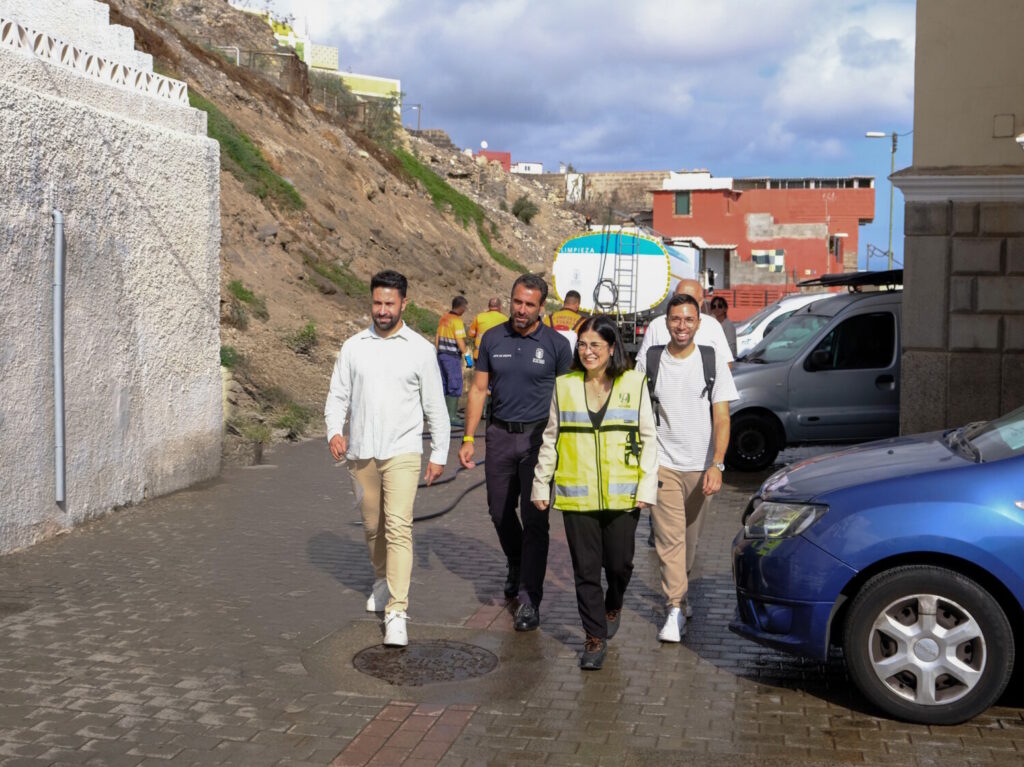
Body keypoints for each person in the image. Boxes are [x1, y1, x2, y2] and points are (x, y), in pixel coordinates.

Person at [324, 270, 450, 648]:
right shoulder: (353, 347)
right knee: (372, 526)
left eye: (389, 304)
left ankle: (397, 610)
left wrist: (439, 453)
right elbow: (337, 395)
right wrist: (334, 430)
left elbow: (435, 407)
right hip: (361, 452)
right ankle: (380, 581)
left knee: (398, 526)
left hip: (403, 452)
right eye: (377, 303)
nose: (382, 310)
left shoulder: (421, 350)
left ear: (403, 304)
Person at [532, 316, 657, 670]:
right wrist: (541, 484)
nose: (588, 352)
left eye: (595, 346)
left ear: (611, 348)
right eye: (582, 345)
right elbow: (550, 440)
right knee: (585, 570)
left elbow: (649, 438)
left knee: (619, 564)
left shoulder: (634, 383)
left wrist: (647, 485)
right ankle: (594, 637)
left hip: (623, 496)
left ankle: (613, 601)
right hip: (577, 497)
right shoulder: (564, 385)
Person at [459, 274, 573, 632]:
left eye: (528, 305)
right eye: (517, 302)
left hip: (540, 442)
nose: (520, 310)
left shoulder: (556, 345)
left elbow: (567, 398)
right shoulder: (493, 338)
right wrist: (467, 438)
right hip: (500, 436)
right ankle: (516, 560)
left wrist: (566, 446)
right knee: (497, 511)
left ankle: (528, 598)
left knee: (536, 519)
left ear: (542, 307)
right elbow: (478, 390)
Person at [647, 294, 737, 643]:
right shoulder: (653, 361)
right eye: (675, 320)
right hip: (663, 465)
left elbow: (723, 418)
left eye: (688, 320)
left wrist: (717, 464)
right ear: (665, 322)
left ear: (698, 324)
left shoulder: (711, 361)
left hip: (701, 470)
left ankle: (680, 598)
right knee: (668, 540)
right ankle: (673, 610)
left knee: (689, 540)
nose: (681, 326)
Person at [635, 279, 734, 373]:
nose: (682, 326)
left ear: (700, 302)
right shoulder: (656, 325)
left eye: (690, 301)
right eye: (680, 299)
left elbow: (726, 364)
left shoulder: (712, 326)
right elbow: (642, 365)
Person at [436, 296, 470, 427]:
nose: (465, 310)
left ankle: (443, 415)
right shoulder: (457, 321)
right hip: (452, 357)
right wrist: (468, 358)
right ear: (461, 307)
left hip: (442, 355)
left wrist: (438, 352)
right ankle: (451, 416)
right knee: (454, 384)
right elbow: (460, 341)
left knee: (443, 384)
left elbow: (438, 335)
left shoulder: (444, 317)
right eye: (465, 308)